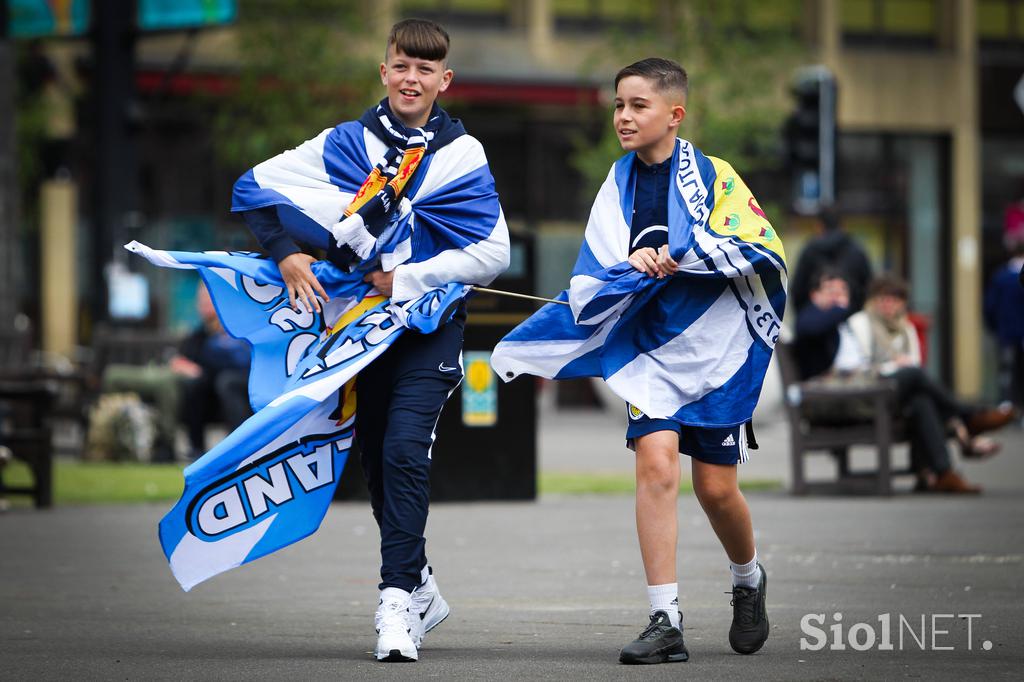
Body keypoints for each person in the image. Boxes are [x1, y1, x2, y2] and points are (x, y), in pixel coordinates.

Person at [237, 19, 509, 662]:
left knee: (405, 452)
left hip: (430, 326)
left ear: (445, 81)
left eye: (426, 69)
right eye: (401, 66)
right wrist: (285, 256)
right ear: (383, 71)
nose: (411, 78)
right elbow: (254, 188)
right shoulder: (345, 143)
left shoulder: (462, 157)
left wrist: (406, 277)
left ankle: (394, 605)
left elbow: (492, 252)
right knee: (378, 463)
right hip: (356, 333)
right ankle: (419, 582)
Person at [584, 58, 777, 664]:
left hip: (715, 354)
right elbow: (592, 269)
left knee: (716, 490)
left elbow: (759, 246)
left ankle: (748, 579)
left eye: (638, 105)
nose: (623, 116)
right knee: (657, 463)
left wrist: (685, 253)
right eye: (619, 105)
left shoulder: (716, 177)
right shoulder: (615, 185)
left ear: (675, 114)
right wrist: (630, 266)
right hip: (651, 355)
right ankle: (664, 619)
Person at [798, 273, 1015, 493]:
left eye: (842, 291)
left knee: (921, 401)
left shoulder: (846, 325)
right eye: (831, 291)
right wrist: (842, 307)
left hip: (862, 390)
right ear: (815, 294)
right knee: (913, 375)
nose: (837, 297)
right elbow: (811, 331)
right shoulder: (816, 319)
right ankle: (967, 417)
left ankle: (942, 472)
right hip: (838, 398)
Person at [172, 285, 251, 460]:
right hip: (212, 395)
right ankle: (196, 450)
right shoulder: (199, 334)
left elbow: (243, 360)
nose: (204, 305)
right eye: (201, 301)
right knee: (197, 384)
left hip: (241, 384)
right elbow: (182, 360)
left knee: (226, 382)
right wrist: (186, 367)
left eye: (208, 300)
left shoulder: (236, 328)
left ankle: (240, 446)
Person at [789, 207, 873, 314]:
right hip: (850, 317)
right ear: (843, 225)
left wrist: (805, 317)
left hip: (815, 319)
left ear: (819, 225)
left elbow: (798, 289)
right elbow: (868, 286)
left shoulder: (810, 250)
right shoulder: (857, 250)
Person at [983, 234, 1024, 413]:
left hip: (1006, 331)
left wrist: (995, 327)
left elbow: (990, 306)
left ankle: (1007, 406)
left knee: (1006, 371)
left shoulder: (1001, 276)